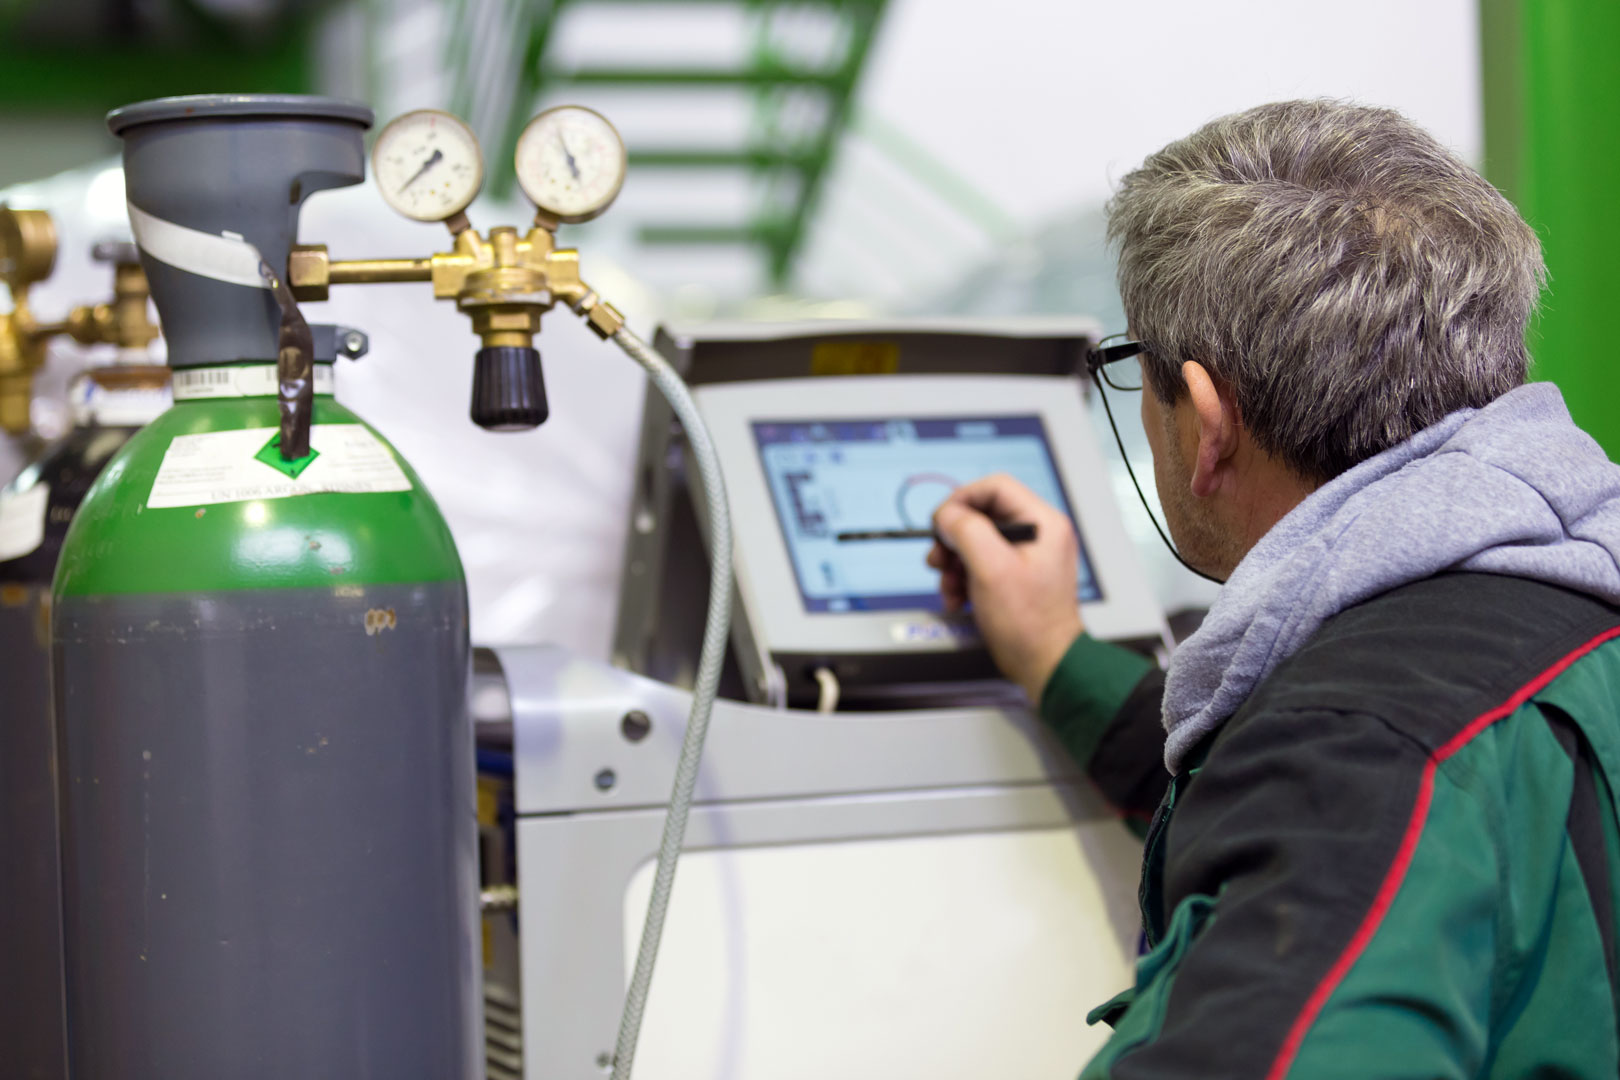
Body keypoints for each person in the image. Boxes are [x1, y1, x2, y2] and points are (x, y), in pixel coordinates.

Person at [930, 100, 1620, 1078]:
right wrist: (1054, 653)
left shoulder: (1358, 746)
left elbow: (1340, 820)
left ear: (1206, 420)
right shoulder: (1569, 611)